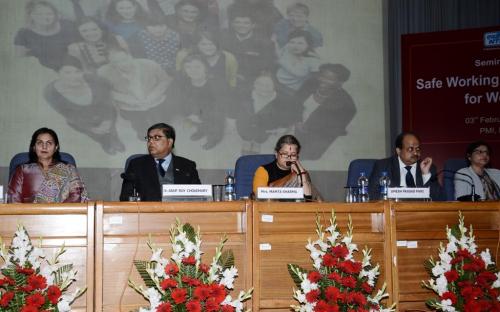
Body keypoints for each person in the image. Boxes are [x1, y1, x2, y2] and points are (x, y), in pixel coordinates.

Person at [44, 56, 125, 155]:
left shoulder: (97, 81)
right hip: (83, 122)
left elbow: (107, 102)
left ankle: (115, 141)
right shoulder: (51, 93)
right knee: (97, 136)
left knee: (111, 130)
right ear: (58, 73)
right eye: (67, 72)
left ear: (83, 72)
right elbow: (68, 114)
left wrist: (108, 120)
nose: (73, 76)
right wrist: (90, 128)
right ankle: (106, 144)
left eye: (77, 71)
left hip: (106, 115)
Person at [120, 123, 201, 201]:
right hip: (147, 213)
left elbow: (199, 198)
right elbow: (125, 197)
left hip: (179, 213)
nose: (150, 142)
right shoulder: (136, 164)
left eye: (157, 138)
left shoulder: (187, 166)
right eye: (149, 138)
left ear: (169, 142)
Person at [8, 128, 88, 203]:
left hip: (63, 216)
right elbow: (13, 201)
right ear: (34, 147)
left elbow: (76, 197)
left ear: (56, 147)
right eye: (40, 143)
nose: (44, 147)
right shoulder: (22, 170)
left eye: (49, 143)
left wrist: (55, 213)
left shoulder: (68, 169)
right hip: (29, 216)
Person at [293, 63, 356, 160]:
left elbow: (329, 134)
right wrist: (297, 121)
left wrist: (307, 129)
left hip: (313, 143)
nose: (322, 80)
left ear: (340, 82)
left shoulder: (346, 106)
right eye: (322, 76)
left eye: (329, 79)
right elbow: (295, 103)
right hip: (294, 128)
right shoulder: (310, 84)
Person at [368, 132, 442, 201]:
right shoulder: (383, 166)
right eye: (410, 149)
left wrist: (425, 175)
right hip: (394, 210)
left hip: (420, 212)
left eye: (418, 149)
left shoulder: (428, 168)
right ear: (398, 151)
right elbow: (372, 194)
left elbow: (438, 198)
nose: (415, 153)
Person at [252, 134, 322, 201]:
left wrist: (301, 172)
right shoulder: (263, 171)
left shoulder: (301, 172)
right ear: (276, 154)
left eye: (293, 155)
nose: (289, 158)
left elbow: (308, 198)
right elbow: (259, 195)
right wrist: (292, 177)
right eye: (285, 154)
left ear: (297, 157)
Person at [14, 0, 77, 70]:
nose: (45, 17)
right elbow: (20, 58)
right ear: (30, 15)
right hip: (43, 72)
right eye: (39, 14)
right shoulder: (24, 33)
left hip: (72, 69)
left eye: (49, 14)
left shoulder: (67, 25)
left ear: (55, 14)